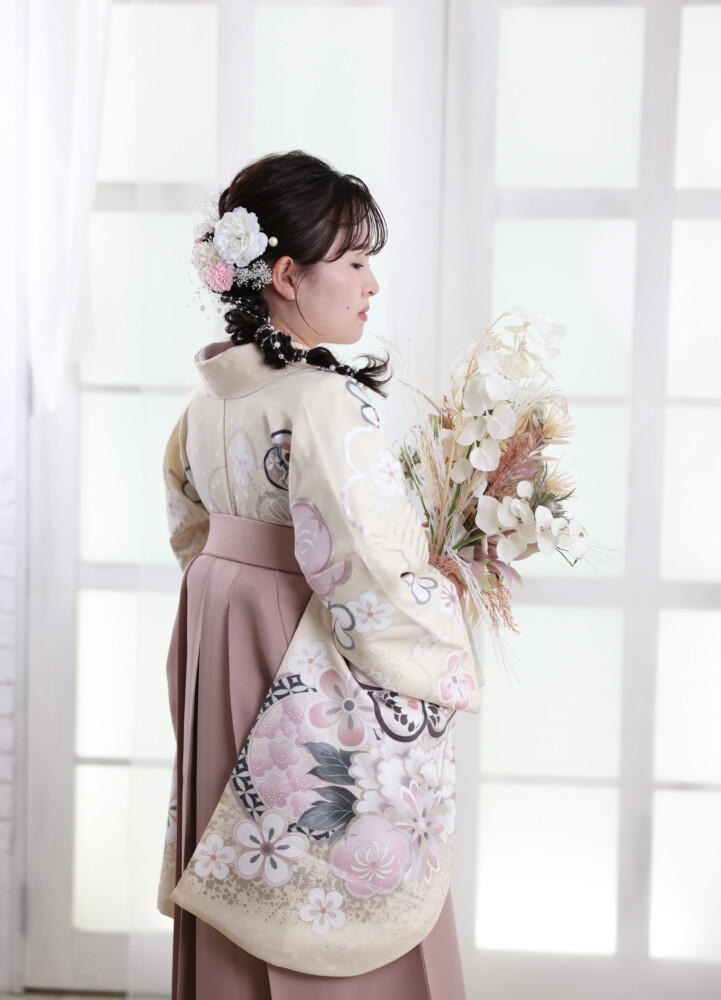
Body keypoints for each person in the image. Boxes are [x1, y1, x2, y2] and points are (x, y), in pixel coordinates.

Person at [158, 150, 481, 1000]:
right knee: (325, 858)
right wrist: (441, 603)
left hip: (222, 627)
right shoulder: (321, 402)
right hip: (295, 635)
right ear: (287, 276)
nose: (371, 284)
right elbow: (369, 565)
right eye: (355, 261)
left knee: (243, 849)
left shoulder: (208, 398)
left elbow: (191, 529)